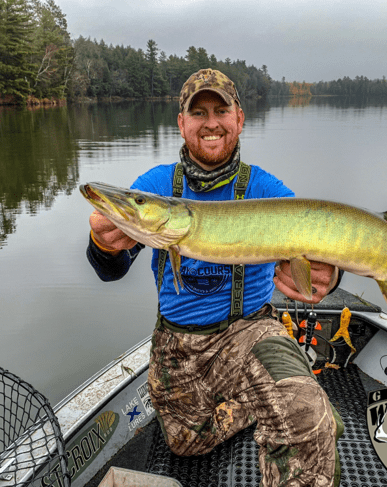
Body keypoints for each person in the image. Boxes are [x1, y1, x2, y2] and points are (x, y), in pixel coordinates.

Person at [86, 69, 344, 487]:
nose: (211, 123)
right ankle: (249, 405)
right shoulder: (154, 188)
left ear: (239, 119)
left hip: (250, 332)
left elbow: (321, 246)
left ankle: (284, 403)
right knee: (186, 443)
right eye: (198, 112)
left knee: (307, 419)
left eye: (221, 110)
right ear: (181, 123)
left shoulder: (265, 190)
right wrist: (104, 243)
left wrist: (328, 277)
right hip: (177, 342)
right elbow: (109, 269)